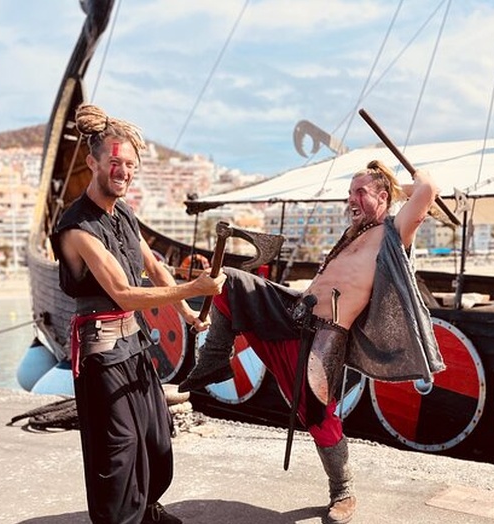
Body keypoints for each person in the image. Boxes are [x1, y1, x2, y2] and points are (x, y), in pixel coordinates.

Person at [178, 159, 445, 524]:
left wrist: (399, 184)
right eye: (349, 192)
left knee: (320, 417)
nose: (350, 199)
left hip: (325, 337)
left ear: (384, 196)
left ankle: (343, 491)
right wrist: (378, 191)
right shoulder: (356, 234)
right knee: (228, 280)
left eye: (360, 192)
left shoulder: (393, 232)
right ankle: (214, 358)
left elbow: (427, 188)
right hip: (291, 314)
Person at [51, 104, 226, 524]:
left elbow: (151, 264)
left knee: (157, 439)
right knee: (119, 451)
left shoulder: (124, 212)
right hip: (102, 353)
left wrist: (187, 309)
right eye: (114, 162)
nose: (123, 170)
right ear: (93, 162)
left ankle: (147, 509)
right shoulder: (77, 227)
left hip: (134, 346)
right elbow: (125, 293)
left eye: (129, 164)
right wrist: (194, 288)